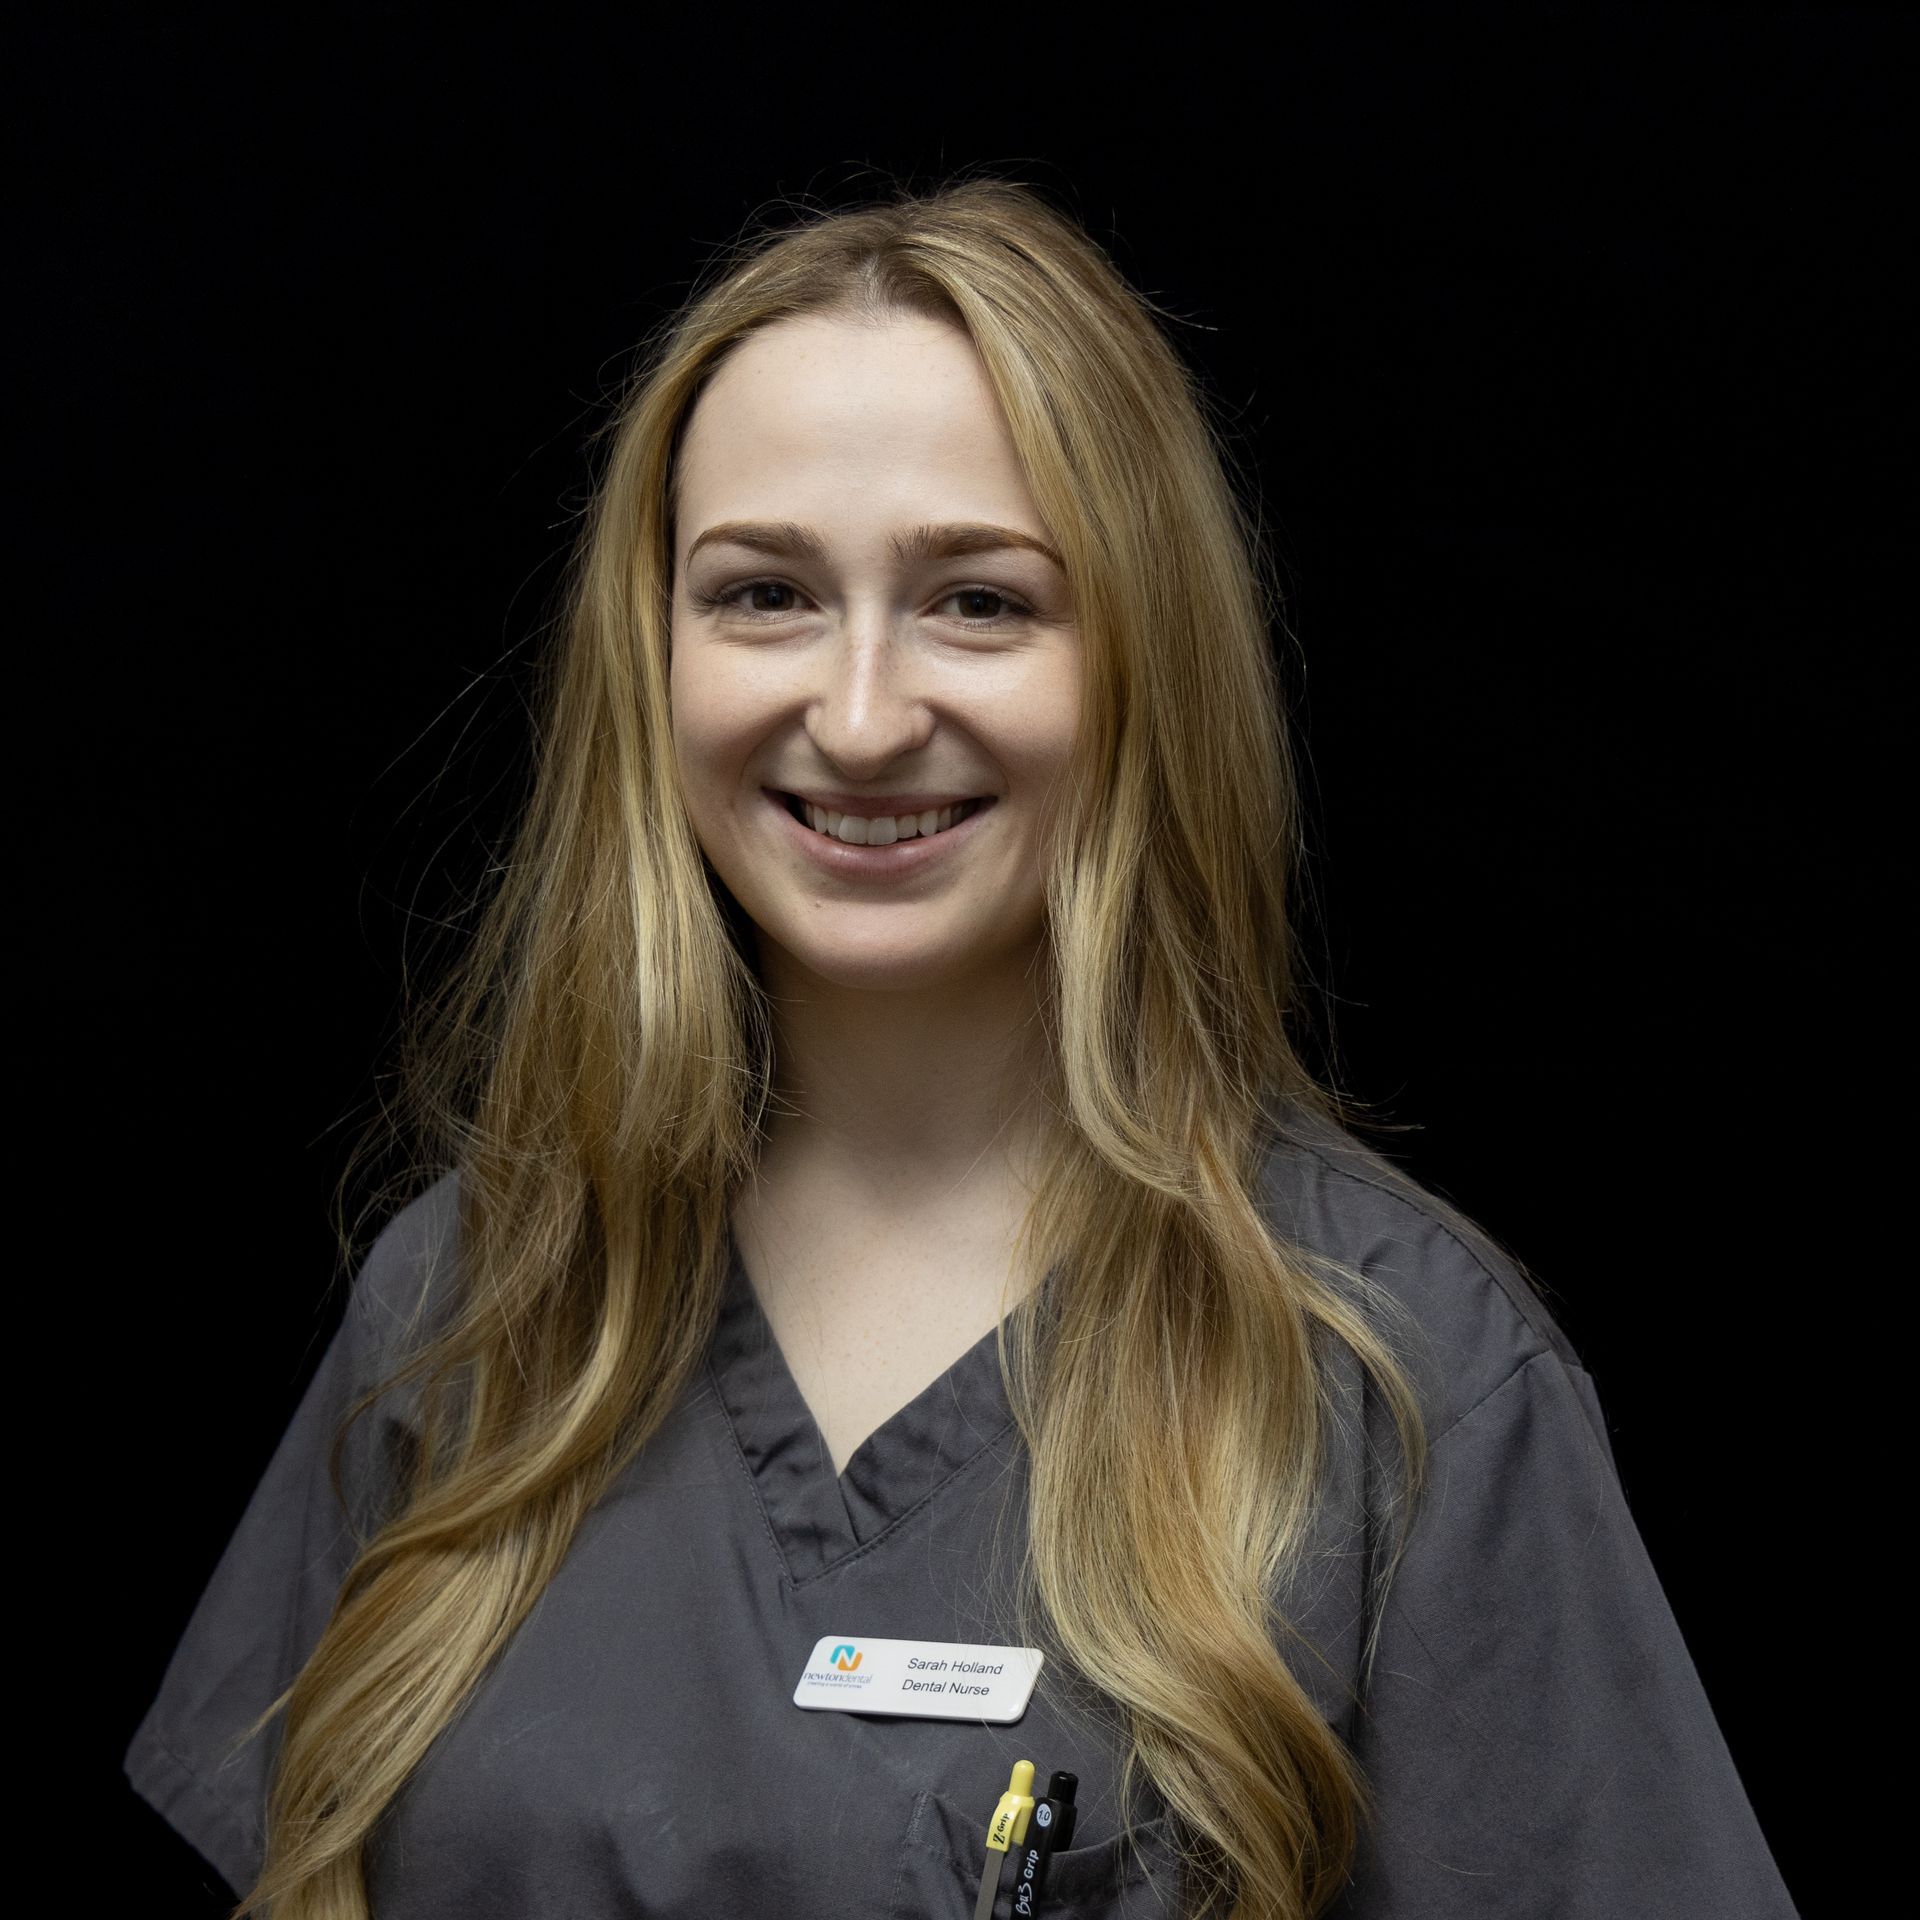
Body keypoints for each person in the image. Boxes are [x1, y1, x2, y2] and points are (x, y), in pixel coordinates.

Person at [124, 175, 1799, 1920]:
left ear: (1142, 659)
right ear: (653, 656)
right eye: (764, 594)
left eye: (981, 602)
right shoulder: (478, 1297)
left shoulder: (1396, 1385)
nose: (857, 716)